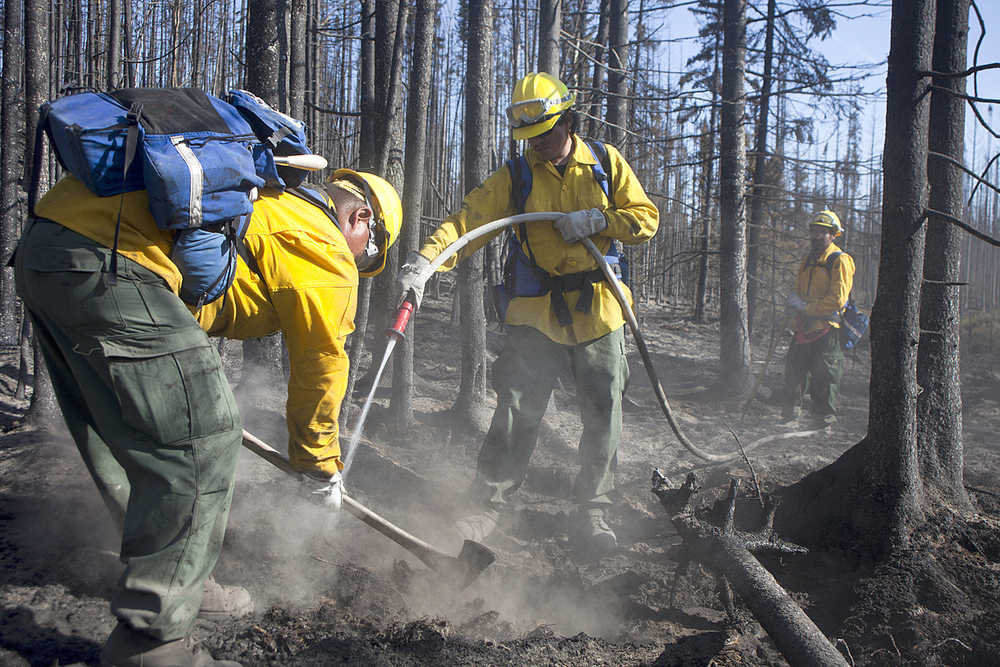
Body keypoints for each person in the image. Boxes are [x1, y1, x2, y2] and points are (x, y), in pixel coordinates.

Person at [14, 167, 401, 666]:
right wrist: (320, 468)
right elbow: (321, 367)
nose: (359, 261)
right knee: (207, 434)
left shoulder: (269, 204)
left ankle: (171, 580)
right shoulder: (320, 240)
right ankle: (153, 646)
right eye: (368, 251)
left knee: (123, 432)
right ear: (361, 217)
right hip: (115, 263)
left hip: (48, 250)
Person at [396, 72, 658, 553]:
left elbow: (646, 219)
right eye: (528, 139)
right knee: (516, 409)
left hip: (600, 310)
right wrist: (426, 261)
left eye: (544, 135)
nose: (537, 145)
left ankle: (593, 512)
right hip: (536, 314)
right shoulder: (515, 178)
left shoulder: (604, 162)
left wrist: (602, 219)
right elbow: (467, 223)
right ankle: (487, 505)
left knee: (604, 411)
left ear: (567, 122)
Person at [780, 209, 855, 428]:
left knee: (825, 375)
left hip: (827, 327)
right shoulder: (808, 260)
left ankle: (823, 422)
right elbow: (798, 289)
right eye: (814, 231)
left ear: (833, 234)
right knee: (794, 371)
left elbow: (838, 299)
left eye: (822, 232)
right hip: (803, 326)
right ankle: (790, 417)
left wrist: (807, 308)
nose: (816, 236)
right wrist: (793, 308)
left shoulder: (840, 260)